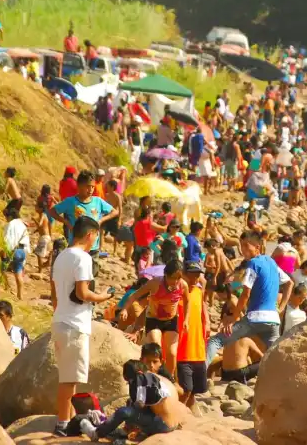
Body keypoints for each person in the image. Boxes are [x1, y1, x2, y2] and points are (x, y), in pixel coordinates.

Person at [49, 216, 115, 437]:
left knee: (67, 377)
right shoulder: (83, 258)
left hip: (60, 320)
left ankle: (65, 421)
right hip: (74, 324)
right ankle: (62, 424)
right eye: (96, 235)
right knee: (69, 379)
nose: (96, 240)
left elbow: (55, 293)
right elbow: (82, 293)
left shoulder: (60, 257)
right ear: (90, 234)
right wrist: (102, 297)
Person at [221, 231, 293, 352]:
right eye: (241, 245)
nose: (242, 249)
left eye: (245, 245)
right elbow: (234, 287)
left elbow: (241, 293)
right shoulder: (267, 265)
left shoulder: (253, 267)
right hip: (269, 317)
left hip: (254, 316)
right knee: (269, 353)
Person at [80, 360, 186, 440]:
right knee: (131, 404)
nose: (131, 384)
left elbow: (139, 404)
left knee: (123, 412)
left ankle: (96, 433)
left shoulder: (142, 378)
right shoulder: (158, 378)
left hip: (162, 425)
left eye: (129, 381)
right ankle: (126, 430)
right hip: (173, 423)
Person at [52, 170, 118, 276]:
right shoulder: (71, 202)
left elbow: (114, 212)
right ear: (79, 186)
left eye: (92, 187)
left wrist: (101, 220)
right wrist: (66, 222)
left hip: (93, 248)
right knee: (75, 275)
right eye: (87, 186)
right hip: (76, 247)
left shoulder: (98, 201)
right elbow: (53, 211)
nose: (90, 189)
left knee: (92, 275)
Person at [176, 261, 209, 409]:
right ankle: (179, 414)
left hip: (198, 349)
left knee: (196, 389)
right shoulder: (176, 293)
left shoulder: (198, 291)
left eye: (197, 275)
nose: (195, 279)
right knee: (186, 388)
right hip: (182, 350)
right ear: (183, 274)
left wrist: (207, 321)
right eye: (192, 275)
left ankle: (189, 413)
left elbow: (202, 308)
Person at [2, 206, 31, 300]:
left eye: (6, 216)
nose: (6, 218)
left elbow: (7, 240)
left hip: (13, 250)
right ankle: (20, 295)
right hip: (22, 251)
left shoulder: (10, 224)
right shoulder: (22, 224)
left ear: (10, 216)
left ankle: (6, 286)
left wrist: (5, 254)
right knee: (18, 273)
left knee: (2, 267)